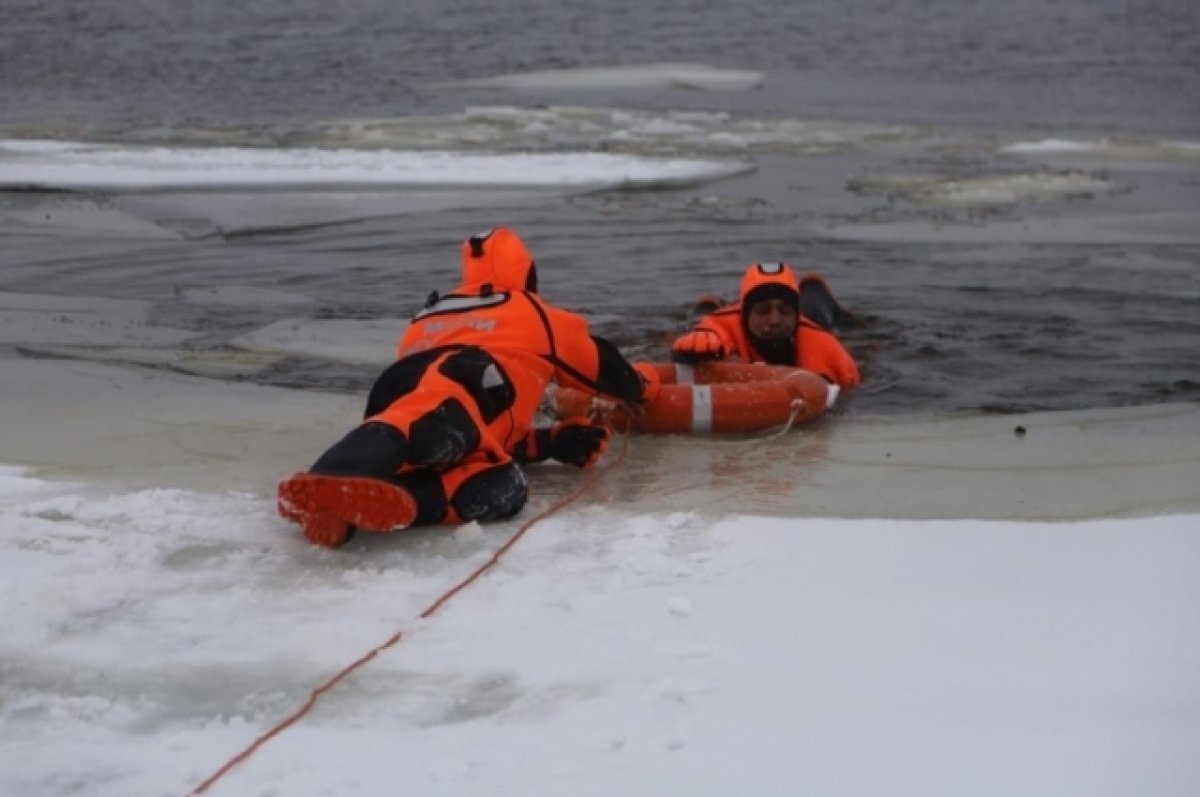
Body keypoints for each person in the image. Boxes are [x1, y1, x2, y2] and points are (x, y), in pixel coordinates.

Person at [279, 227, 660, 548]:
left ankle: (391, 500)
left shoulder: (428, 314)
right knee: (423, 426)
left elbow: (488, 429)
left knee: (506, 485)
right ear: (528, 275)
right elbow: (606, 369)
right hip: (465, 381)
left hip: (407, 395)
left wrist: (549, 443)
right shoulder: (534, 311)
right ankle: (328, 480)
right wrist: (647, 381)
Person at [671, 262, 861, 390]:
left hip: (811, 320)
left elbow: (851, 387)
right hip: (714, 317)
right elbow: (705, 337)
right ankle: (708, 303)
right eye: (763, 310)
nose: (775, 320)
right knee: (701, 316)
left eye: (785, 310)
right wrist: (696, 346)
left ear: (796, 313)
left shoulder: (824, 345)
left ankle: (812, 286)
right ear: (744, 314)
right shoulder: (719, 327)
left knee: (819, 313)